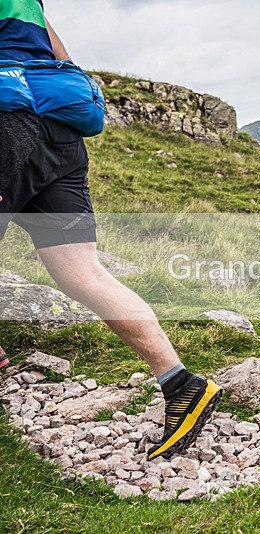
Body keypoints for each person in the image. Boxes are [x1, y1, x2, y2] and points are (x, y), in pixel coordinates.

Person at [0, 0, 222, 461]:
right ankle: (181, 383)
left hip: (8, 124)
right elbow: (61, 56)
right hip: (61, 131)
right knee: (85, 273)